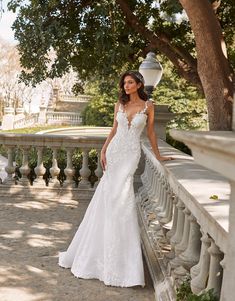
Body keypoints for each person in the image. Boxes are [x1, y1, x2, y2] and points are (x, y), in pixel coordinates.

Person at [58, 70, 173, 288]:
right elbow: (114, 129)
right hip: (115, 152)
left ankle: (122, 262)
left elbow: (150, 133)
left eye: (130, 82)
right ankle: (99, 255)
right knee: (109, 199)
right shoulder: (118, 105)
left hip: (130, 155)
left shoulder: (149, 106)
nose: (126, 86)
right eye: (125, 83)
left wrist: (158, 155)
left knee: (122, 198)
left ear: (139, 84)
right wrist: (103, 150)